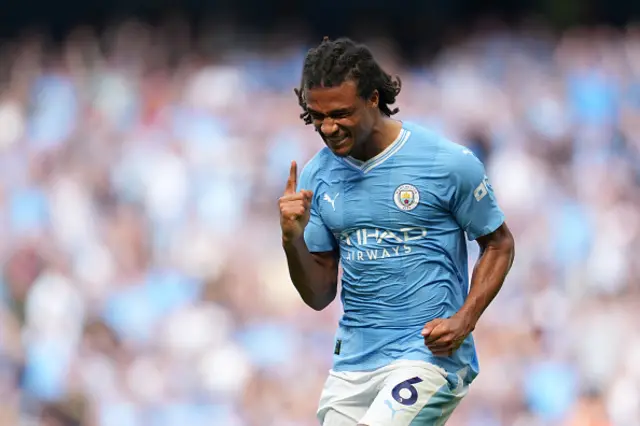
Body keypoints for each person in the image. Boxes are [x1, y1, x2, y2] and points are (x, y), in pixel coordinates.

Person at [279, 36, 515, 426]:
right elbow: (320, 294)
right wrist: (291, 239)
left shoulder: (446, 163)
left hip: (428, 357)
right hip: (353, 363)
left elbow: (499, 244)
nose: (329, 127)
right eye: (317, 116)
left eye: (340, 113)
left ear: (373, 99)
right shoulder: (316, 176)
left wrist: (465, 319)